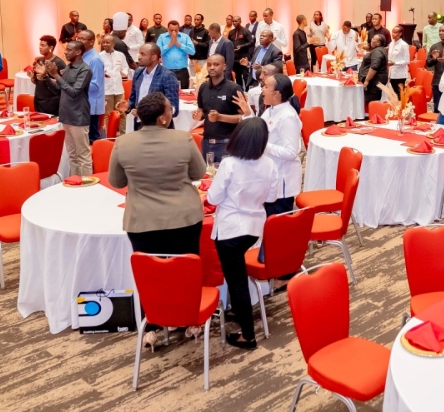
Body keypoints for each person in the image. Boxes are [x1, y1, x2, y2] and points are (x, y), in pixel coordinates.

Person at [108, 90, 206, 350]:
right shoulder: (183, 139)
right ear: (163, 118)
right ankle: (189, 322)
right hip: (183, 217)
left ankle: (151, 325)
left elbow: (116, 181)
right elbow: (199, 173)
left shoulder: (123, 143)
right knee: (186, 270)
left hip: (142, 220)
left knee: (149, 274)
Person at [206, 117, 281, 351]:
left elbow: (212, 199)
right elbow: (271, 198)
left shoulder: (230, 164)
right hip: (253, 229)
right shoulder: (269, 164)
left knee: (236, 281)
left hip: (229, 229)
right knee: (238, 280)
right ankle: (240, 312)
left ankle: (248, 335)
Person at [258, 74, 303, 216]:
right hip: (269, 175)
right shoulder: (270, 110)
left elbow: (291, 152)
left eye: (265, 87)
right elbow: (259, 130)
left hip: (282, 181)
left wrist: (264, 145)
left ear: (276, 94)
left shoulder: (287, 116)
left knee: (278, 229)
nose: (262, 90)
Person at [47, 41, 92, 176]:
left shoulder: (85, 69)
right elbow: (59, 90)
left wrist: (56, 75)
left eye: (69, 50)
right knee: (72, 155)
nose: (65, 52)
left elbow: (74, 92)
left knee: (83, 156)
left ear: (78, 52)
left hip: (78, 116)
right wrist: (45, 78)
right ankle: (75, 182)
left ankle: (87, 185)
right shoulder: (68, 68)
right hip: (66, 115)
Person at [193, 54, 245, 163]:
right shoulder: (203, 87)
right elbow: (202, 110)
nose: (212, 67)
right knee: (207, 176)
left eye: (216, 64)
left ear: (224, 66)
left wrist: (220, 117)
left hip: (227, 143)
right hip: (207, 141)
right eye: (209, 65)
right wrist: (199, 115)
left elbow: (244, 117)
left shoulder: (234, 88)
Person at [117, 43, 181, 131]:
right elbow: (133, 100)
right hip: (139, 126)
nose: (139, 57)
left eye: (143, 54)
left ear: (154, 57)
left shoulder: (167, 76)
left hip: (159, 128)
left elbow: (173, 109)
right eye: (139, 53)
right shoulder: (138, 73)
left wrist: (146, 114)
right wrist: (128, 106)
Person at [77, 31, 105, 143]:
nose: (79, 41)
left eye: (82, 39)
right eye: (78, 38)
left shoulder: (95, 59)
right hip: (82, 103)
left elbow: (95, 85)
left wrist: (75, 83)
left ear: (91, 42)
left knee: (91, 139)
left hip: (92, 105)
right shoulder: (81, 56)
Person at [99, 34, 129, 136]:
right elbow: (96, 71)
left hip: (119, 89)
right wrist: (101, 73)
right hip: (107, 90)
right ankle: (108, 135)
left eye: (107, 42)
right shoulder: (99, 56)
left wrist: (124, 73)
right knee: (107, 114)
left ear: (113, 44)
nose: (105, 44)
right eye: (103, 42)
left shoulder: (120, 55)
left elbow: (125, 67)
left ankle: (123, 135)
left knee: (122, 113)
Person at [30, 36, 66, 116]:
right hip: (39, 99)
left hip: (51, 100)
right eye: (40, 45)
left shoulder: (59, 63)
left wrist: (47, 76)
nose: (40, 47)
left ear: (51, 47)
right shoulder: (40, 60)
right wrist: (33, 77)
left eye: (43, 45)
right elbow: (38, 81)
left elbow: (61, 84)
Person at [157, 20, 195, 90]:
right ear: (167, 29)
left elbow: (192, 52)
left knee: (183, 93)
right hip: (167, 71)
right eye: (171, 30)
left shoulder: (185, 37)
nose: (174, 32)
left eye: (176, 30)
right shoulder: (162, 37)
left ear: (179, 29)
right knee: (166, 92)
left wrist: (178, 44)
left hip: (182, 72)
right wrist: (170, 44)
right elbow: (158, 53)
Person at [358, 34, 389, 109]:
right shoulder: (379, 50)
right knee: (373, 102)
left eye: (373, 39)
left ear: (378, 42)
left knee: (372, 103)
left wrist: (367, 80)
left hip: (374, 81)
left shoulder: (377, 52)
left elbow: (374, 67)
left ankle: (373, 118)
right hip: (376, 80)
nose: (371, 40)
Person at [228, 16, 255, 88]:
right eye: (233, 21)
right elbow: (229, 43)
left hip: (244, 58)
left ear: (240, 21)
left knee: (245, 76)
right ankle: (239, 90)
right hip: (235, 58)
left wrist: (242, 46)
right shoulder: (231, 32)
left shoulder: (245, 31)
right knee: (238, 76)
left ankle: (247, 91)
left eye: (236, 21)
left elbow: (251, 42)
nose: (234, 23)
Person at [387, 25, 410, 93]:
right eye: (393, 32)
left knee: (399, 94)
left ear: (400, 34)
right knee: (393, 93)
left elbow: (407, 61)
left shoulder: (404, 45)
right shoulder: (391, 43)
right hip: (391, 72)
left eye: (395, 32)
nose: (393, 34)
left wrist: (395, 63)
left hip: (400, 74)